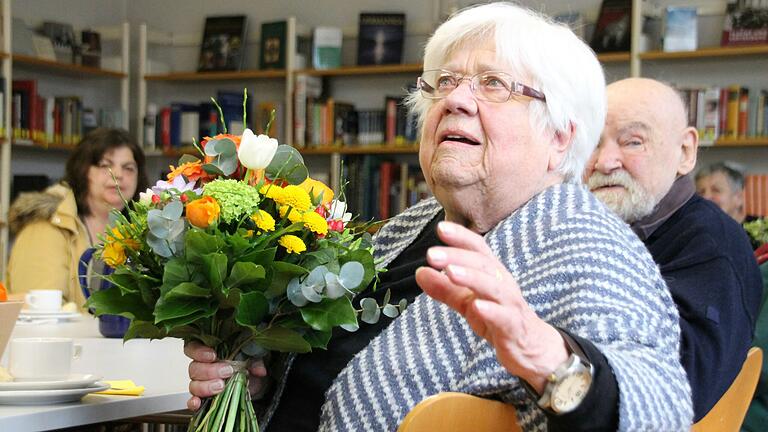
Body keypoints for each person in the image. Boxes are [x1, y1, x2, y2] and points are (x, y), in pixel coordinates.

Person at [186, 3, 692, 431]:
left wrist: (548, 358)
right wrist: (263, 385)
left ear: (560, 137)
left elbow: (660, 408)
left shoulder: (589, 246)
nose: (455, 99)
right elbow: (321, 374)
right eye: (444, 81)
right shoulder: (407, 227)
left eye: (494, 84)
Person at [584, 77, 763, 422]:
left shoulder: (709, 245)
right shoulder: (596, 231)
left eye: (633, 142)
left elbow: (672, 392)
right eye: (593, 143)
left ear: (685, 152)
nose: (605, 162)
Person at [7, 128, 148, 308]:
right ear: (83, 171)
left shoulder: (138, 229)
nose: (118, 174)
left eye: (128, 168)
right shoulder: (46, 226)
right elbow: (40, 313)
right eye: (105, 165)